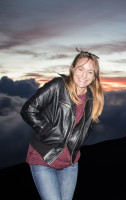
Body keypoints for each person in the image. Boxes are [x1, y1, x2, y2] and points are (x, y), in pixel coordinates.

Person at [20, 49, 104, 200]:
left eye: (90, 72)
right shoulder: (58, 86)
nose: (84, 75)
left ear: (94, 76)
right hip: (44, 158)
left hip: (70, 164)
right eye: (81, 69)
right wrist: (47, 130)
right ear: (72, 69)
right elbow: (28, 109)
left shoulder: (93, 98)